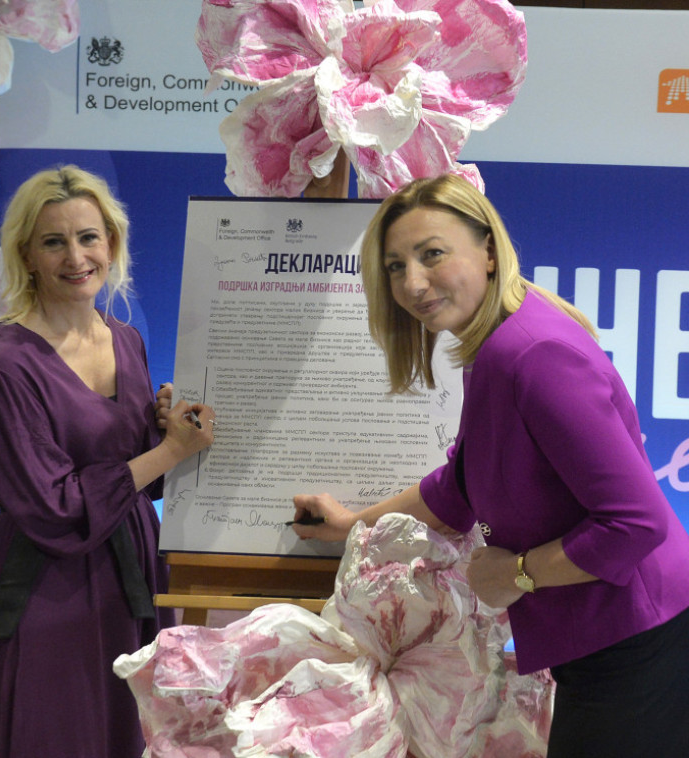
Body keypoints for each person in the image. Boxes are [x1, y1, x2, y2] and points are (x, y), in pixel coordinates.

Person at [291, 173, 689, 756]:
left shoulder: (533, 353)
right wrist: (353, 524)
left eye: (432, 254)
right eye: (396, 266)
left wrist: (517, 574)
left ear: (489, 252)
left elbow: (636, 524)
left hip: (639, 639)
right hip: (611, 640)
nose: (412, 283)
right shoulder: (496, 347)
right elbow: (458, 487)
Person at [0, 165, 215, 758]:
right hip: (51, 590)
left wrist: (164, 429)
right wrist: (168, 451)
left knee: (134, 735)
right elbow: (56, 507)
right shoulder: (1, 367)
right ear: (26, 255)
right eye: (54, 242)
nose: (75, 257)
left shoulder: (125, 337)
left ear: (112, 243)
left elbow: (133, 473)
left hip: (134, 576)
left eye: (88, 237)